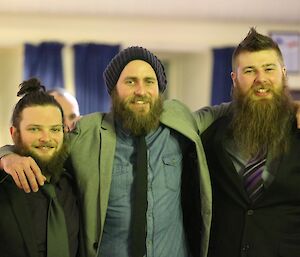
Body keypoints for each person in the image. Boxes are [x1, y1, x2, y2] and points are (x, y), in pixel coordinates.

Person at [0, 46, 223, 257]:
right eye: (130, 81)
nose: (140, 90)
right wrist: (7, 156)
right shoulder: (87, 132)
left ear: (159, 90)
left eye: (149, 81)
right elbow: (45, 143)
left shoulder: (180, 121)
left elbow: (223, 112)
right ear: (114, 90)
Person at [196, 27, 300, 257]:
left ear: (283, 73)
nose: (261, 79)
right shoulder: (211, 135)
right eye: (250, 70)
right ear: (235, 79)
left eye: (269, 69)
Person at [0, 78, 79, 257]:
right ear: (14, 133)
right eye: (34, 129)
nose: (46, 138)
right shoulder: (3, 184)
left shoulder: (75, 183)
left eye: (54, 129)